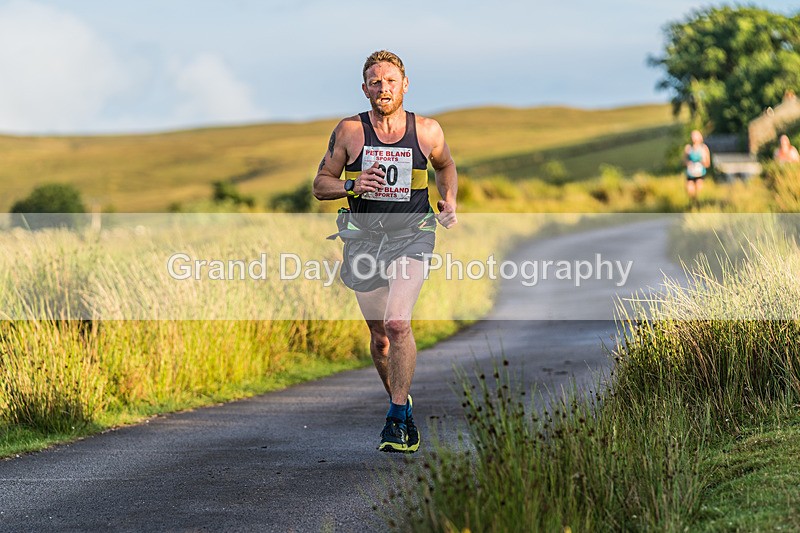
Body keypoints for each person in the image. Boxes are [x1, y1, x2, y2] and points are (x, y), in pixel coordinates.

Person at [312, 50, 458, 453]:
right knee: (380, 338)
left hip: (412, 235)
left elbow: (446, 166)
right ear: (365, 88)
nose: (383, 88)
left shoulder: (427, 131)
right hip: (362, 239)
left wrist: (449, 200)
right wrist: (351, 187)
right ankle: (402, 402)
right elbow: (320, 183)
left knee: (397, 322)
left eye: (390, 81)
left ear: (405, 85)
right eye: (375, 82)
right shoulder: (349, 132)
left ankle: (395, 420)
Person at [683, 129, 711, 200]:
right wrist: (688, 163)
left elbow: (708, 163)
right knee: (690, 192)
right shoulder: (688, 148)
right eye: (692, 136)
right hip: (690, 174)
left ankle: (698, 207)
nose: (694, 138)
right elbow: (684, 161)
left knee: (699, 194)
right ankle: (692, 205)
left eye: (695, 136)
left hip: (700, 174)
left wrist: (702, 162)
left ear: (700, 137)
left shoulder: (703, 148)